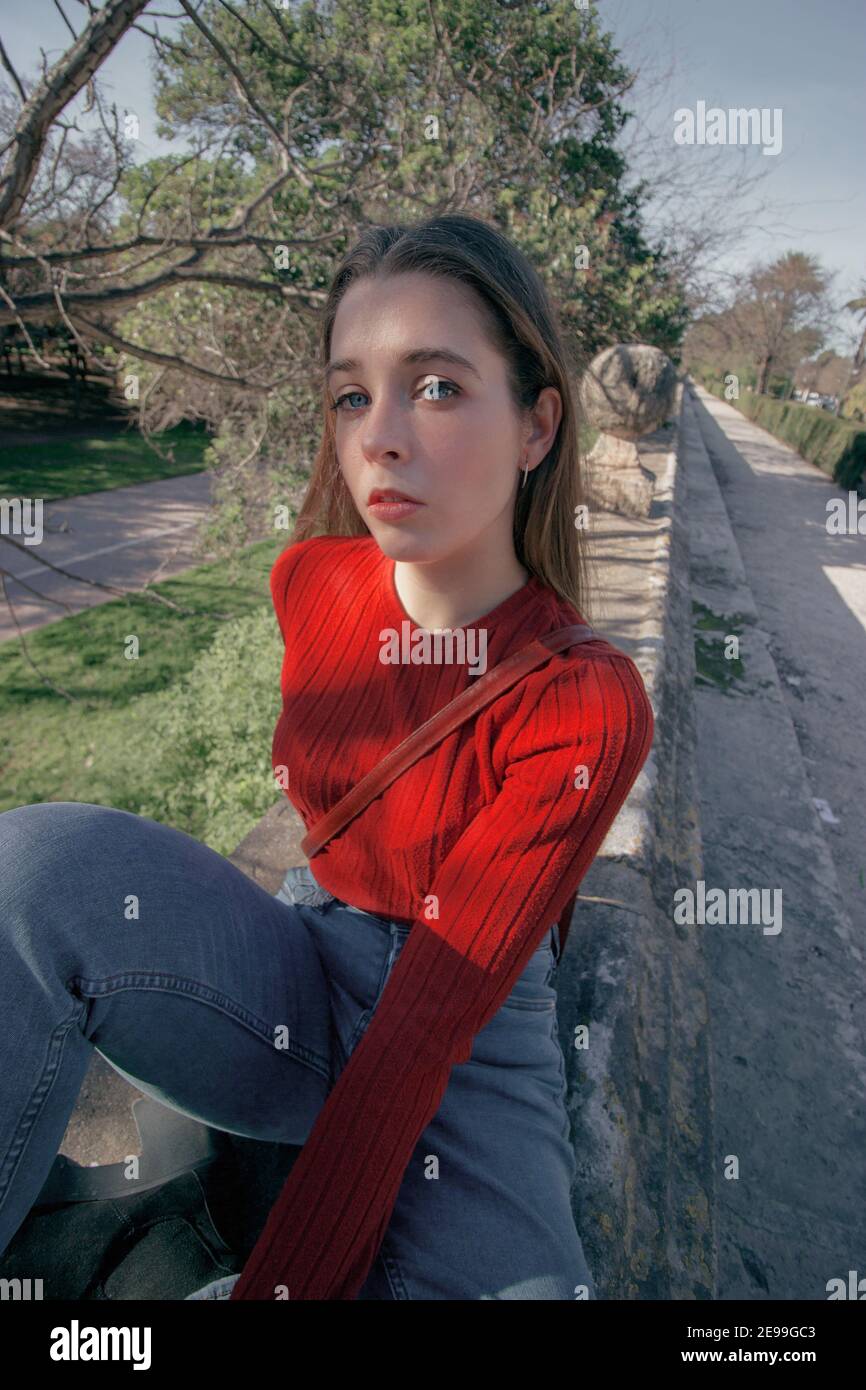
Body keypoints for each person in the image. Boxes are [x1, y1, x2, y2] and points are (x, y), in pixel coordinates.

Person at [0, 213, 654, 1301]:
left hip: (471, 1027)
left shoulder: (584, 701)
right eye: (352, 394)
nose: (379, 437)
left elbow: (418, 1043)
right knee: (31, 868)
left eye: (436, 387)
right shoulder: (310, 583)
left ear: (538, 424)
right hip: (302, 964)